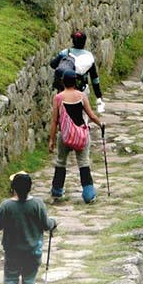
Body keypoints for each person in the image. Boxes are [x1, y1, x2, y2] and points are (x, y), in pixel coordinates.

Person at [48, 70, 102, 202]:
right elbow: (91, 115)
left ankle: (57, 190)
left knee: (61, 161)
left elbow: (55, 121)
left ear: (63, 82)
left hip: (65, 135)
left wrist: (51, 140)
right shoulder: (82, 96)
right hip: (81, 135)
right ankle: (89, 194)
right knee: (83, 163)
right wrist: (101, 124)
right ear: (76, 82)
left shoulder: (59, 98)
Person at [50, 31, 106, 114]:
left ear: (73, 41)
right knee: (83, 114)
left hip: (64, 89)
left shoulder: (65, 53)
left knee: (63, 112)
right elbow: (94, 78)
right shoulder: (89, 56)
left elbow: (53, 64)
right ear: (84, 42)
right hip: (81, 89)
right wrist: (98, 95)